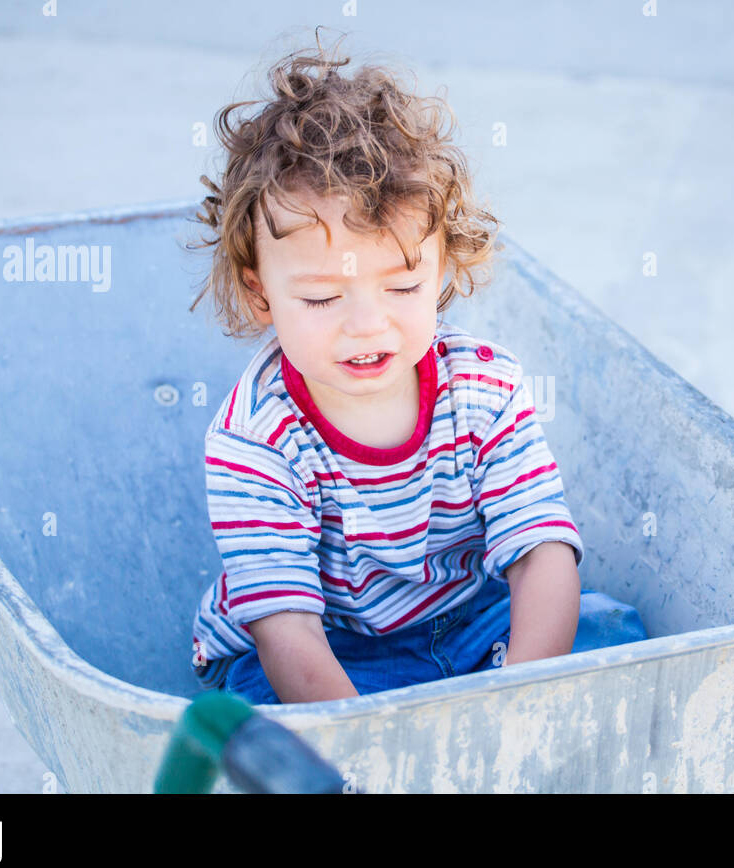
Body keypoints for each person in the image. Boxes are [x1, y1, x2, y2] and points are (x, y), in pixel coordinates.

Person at [186, 39, 647, 704]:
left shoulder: (483, 390)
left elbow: (540, 548)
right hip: (335, 653)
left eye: (402, 287)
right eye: (320, 298)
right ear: (262, 295)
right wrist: (370, 750)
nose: (367, 324)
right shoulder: (255, 442)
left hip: (466, 622)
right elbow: (288, 632)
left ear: (441, 268)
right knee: (253, 714)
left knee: (612, 636)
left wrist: (520, 697)